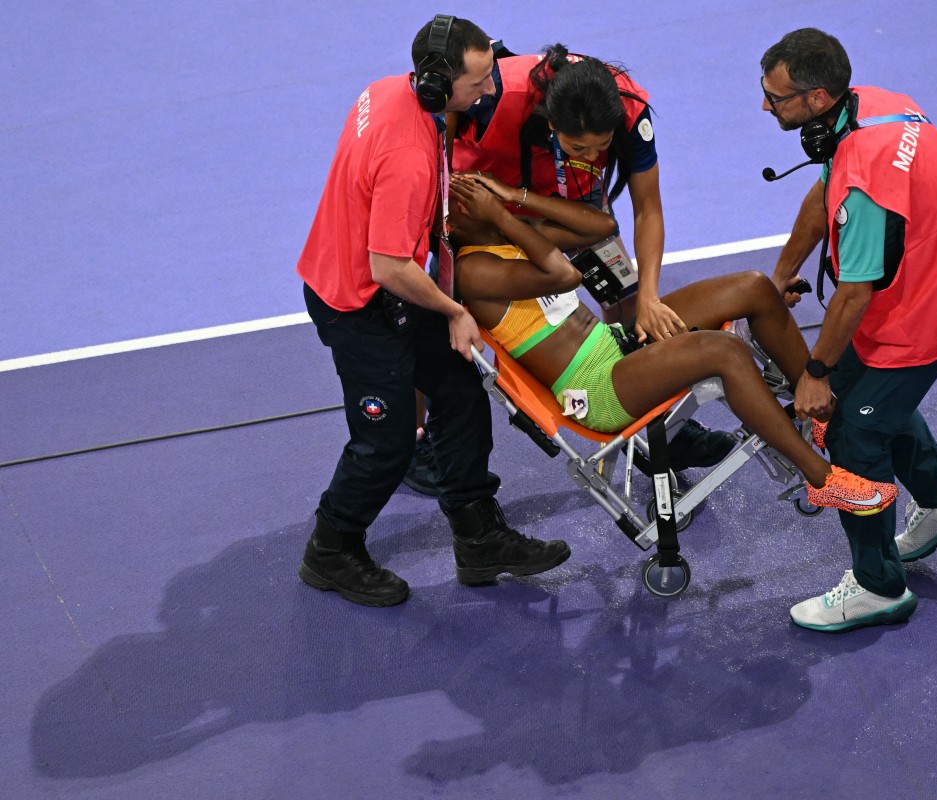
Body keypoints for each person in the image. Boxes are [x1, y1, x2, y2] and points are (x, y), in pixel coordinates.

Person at [294, 15, 570, 607]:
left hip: (388, 290)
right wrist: (454, 310)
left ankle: (479, 540)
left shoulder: (386, 91)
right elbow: (388, 264)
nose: (489, 92)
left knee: (459, 394)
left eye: (491, 75)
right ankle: (331, 549)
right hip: (358, 304)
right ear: (437, 83)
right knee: (387, 442)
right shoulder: (408, 157)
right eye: (476, 84)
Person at [446, 171, 900, 517]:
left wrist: (512, 198)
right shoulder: (473, 271)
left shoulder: (509, 239)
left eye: (477, 188)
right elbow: (566, 275)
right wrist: (501, 215)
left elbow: (599, 225)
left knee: (754, 286)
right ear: (455, 222)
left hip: (616, 346)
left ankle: (822, 415)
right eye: (468, 197)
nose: (478, 195)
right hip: (599, 388)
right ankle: (821, 478)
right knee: (723, 351)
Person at [759, 29, 937, 632]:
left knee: (850, 431)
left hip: (931, 306)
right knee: (871, 403)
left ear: (818, 98)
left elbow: (853, 291)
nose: (766, 106)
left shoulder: (867, 179)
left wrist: (817, 373)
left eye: (777, 97)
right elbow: (825, 195)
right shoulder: (868, 106)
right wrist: (783, 273)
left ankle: (878, 589)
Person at [450, 43, 738, 471]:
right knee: (434, 315)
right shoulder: (495, 97)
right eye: (579, 146)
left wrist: (651, 298)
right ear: (550, 124)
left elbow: (647, 209)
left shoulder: (626, 113)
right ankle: (422, 440)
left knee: (627, 294)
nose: (593, 156)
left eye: (601, 147)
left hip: (568, 203)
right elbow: (438, 127)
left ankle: (653, 424)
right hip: (493, 201)